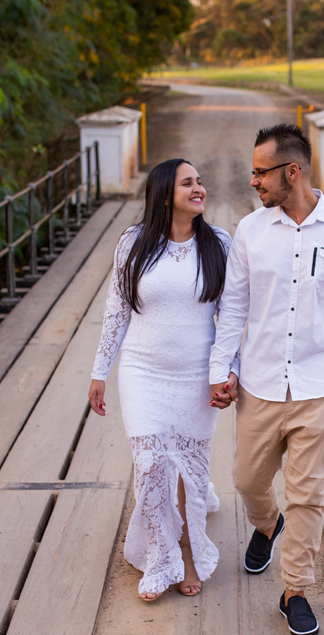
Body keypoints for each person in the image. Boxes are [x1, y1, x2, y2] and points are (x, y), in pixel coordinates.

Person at [209, 124, 324, 635]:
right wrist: (220, 369)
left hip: (321, 385)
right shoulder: (250, 231)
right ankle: (267, 524)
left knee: (308, 496)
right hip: (260, 383)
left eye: (261, 172)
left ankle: (296, 591)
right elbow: (233, 307)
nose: (253, 181)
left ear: (292, 171)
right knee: (246, 480)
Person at [90, 158, 237, 602]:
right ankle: (161, 557)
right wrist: (100, 371)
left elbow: (231, 317)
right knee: (151, 463)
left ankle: (189, 551)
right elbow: (117, 309)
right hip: (142, 371)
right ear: (164, 195)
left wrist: (228, 371)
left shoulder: (219, 244)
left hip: (197, 374)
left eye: (200, 181)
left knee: (190, 471)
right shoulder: (133, 243)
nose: (199, 188)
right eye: (187, 183)